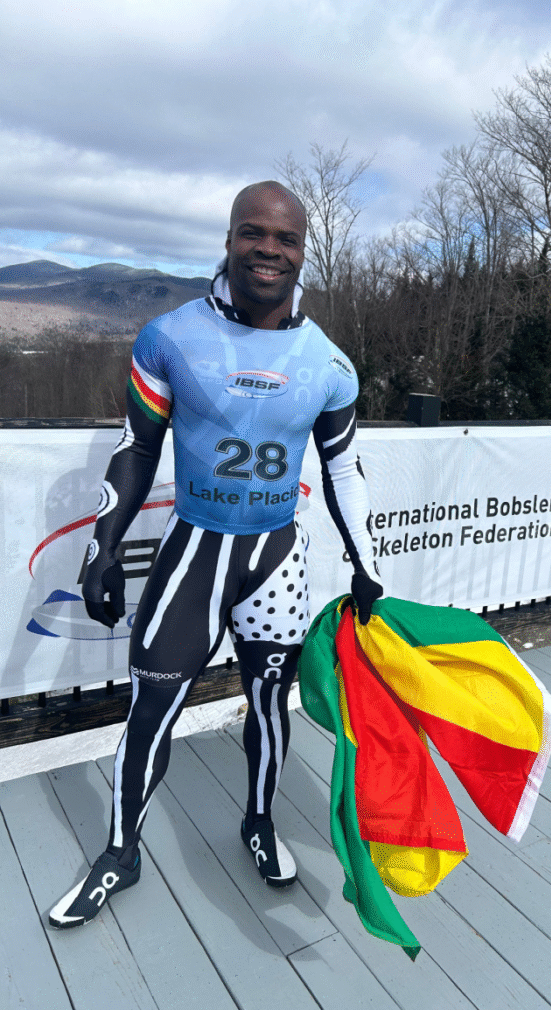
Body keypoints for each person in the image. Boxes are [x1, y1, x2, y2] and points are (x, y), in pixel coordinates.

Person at [49, 181, 382, 929]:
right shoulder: (169, 336)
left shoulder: (328, 362)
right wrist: (102, 548)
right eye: (252, 234)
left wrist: (366, 562)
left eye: (285, 239)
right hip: (194, 554)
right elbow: (137, 448)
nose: (268, 250)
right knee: (151, 713)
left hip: (276, 562)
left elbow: (339, 470)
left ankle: (258, 822)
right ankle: (120, 853)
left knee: (269, 706)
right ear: (230, 239)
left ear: (303, 251)